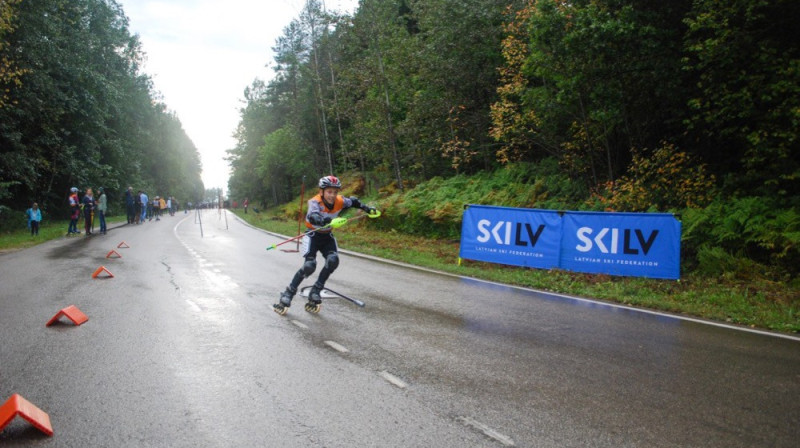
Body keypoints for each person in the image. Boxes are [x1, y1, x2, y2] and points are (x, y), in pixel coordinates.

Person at [273, 175, 377, 315]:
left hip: (327, 236)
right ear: (322, 191)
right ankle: (288, 293)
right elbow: (312, 216)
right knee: (309, 266)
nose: (332, 195)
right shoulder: (315, 202)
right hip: (312, 235)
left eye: (335, 192)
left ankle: (316, 291)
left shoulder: (340, 201)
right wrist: (324, 220)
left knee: (333, 260)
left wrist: (368, 209)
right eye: (329, 192)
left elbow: (354, 202)